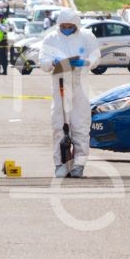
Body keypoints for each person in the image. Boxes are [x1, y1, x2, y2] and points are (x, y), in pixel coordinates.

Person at [39, 9, 101, 178]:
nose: (66, 28)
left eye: (70, 26)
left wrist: (87, 62)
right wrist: (53, 62)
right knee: (59, 126)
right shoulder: (51, 38)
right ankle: (60, 164)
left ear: (76, 25)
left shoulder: (87, 37)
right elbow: (43, 62)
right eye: (64, 26)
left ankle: (78, 165)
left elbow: (96, 57)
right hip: (60, 85)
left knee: (80, 125)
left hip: (80, 85)